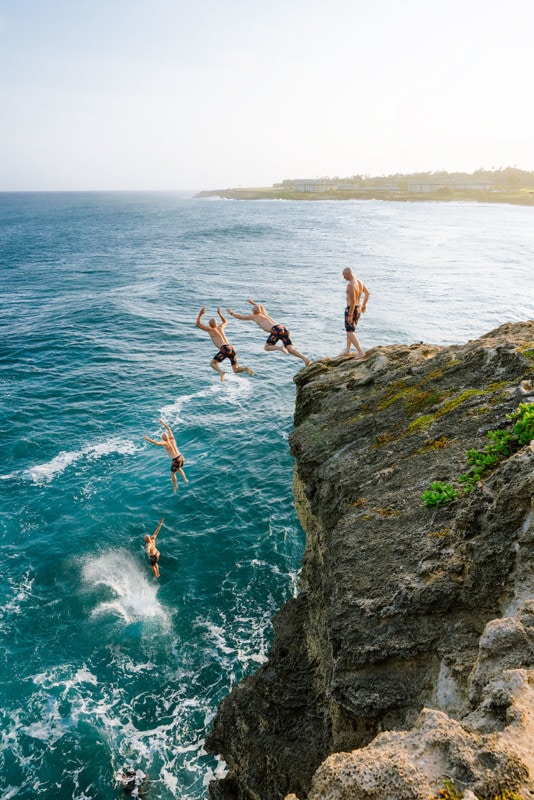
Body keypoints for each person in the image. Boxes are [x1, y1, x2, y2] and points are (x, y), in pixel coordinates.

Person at [226, 298, 311, 366]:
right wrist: (252, 303)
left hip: (276, 329)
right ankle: (305, 359)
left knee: (267, 347)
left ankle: (280, 348)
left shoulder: (254, 316)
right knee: (290, 348)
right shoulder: (264, 313)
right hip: (283, 328)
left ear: (253, 312)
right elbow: (261, 306)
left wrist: (231, 313)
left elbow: (240, 317)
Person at [195, 306, 254, 382]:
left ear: (209, 325)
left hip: (224, 348)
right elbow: (225, 322)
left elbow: (198, 324)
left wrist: (201, 314)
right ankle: (245, 368)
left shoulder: (210, 330)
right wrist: (220, 314)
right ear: (216, 324)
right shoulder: (220, 327)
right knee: (235, 369)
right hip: (231, 348)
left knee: (212, 364)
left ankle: (221, 372)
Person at [144, 419, 188, 492]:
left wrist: (148, 439)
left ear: (163, 439)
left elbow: (157, 443)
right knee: (179, 468)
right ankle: (185, 479)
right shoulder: (172, 439)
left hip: (176, 460)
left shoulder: (165, 443)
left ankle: (175, 486)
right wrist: (162, 422)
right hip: (181, 457)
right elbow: (168, 429)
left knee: (172, 473)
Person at [342, 268, 370, 358]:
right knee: (349, 331)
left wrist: (350, 314)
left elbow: (353, 301)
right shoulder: (360, 282)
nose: (344, 278)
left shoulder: (351, 285)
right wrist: (364, 305)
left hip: (351, 309)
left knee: (350, 332)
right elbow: (367, 293)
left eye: (344, 275)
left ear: (348, 274)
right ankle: (348, 351)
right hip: (358, 309)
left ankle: (360, 352)